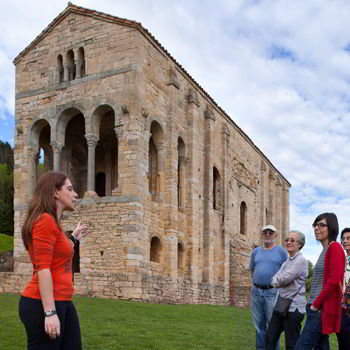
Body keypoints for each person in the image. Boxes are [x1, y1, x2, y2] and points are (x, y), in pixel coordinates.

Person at [18, 171, 89, 350]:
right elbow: (43, 269)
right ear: (56, 192)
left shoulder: (54, 224)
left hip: (63, 299)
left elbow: (59, 253)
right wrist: (49, 313)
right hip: (42, 304)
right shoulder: (45, 221)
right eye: (70, 189)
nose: (75, 194)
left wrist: (73, 237)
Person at [295, 213, 346, 350]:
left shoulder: (334, 247)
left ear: (331, 227)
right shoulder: (325, 250)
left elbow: (334, 280)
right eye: (315, 225)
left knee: (301, 346)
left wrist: (316, 305)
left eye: (321, 225)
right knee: (320, 347)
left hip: (319, 309)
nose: (316, 228)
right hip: (314, 306)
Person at [265, 230, 308, 350]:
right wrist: (277, 281)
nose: (288, 242)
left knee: (291, 344)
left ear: (299, 244)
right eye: (287, 240)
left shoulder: (301, 261)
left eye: (292, 240)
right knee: (270, 338)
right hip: (281, 305)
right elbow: (274, 279)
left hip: (294, 308)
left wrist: (277, 281)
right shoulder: (286, 262)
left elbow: (284, 279)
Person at [250, 224, 288, 350]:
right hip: (256, 292)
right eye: (265, 232)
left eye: (270, 233)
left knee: (272, 326)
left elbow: (286, 271)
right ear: (261, 235)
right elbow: (252, 270)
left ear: (275, 235)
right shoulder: (255, 252)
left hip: (272, 293)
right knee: (258, 326)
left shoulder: (282, 252)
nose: (267, 235)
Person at [337, 228, 350, 349]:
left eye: (348, 238)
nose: (345, 241)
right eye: (343, 238)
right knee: (343, 343)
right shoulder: (342, 260)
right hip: (342, 309)